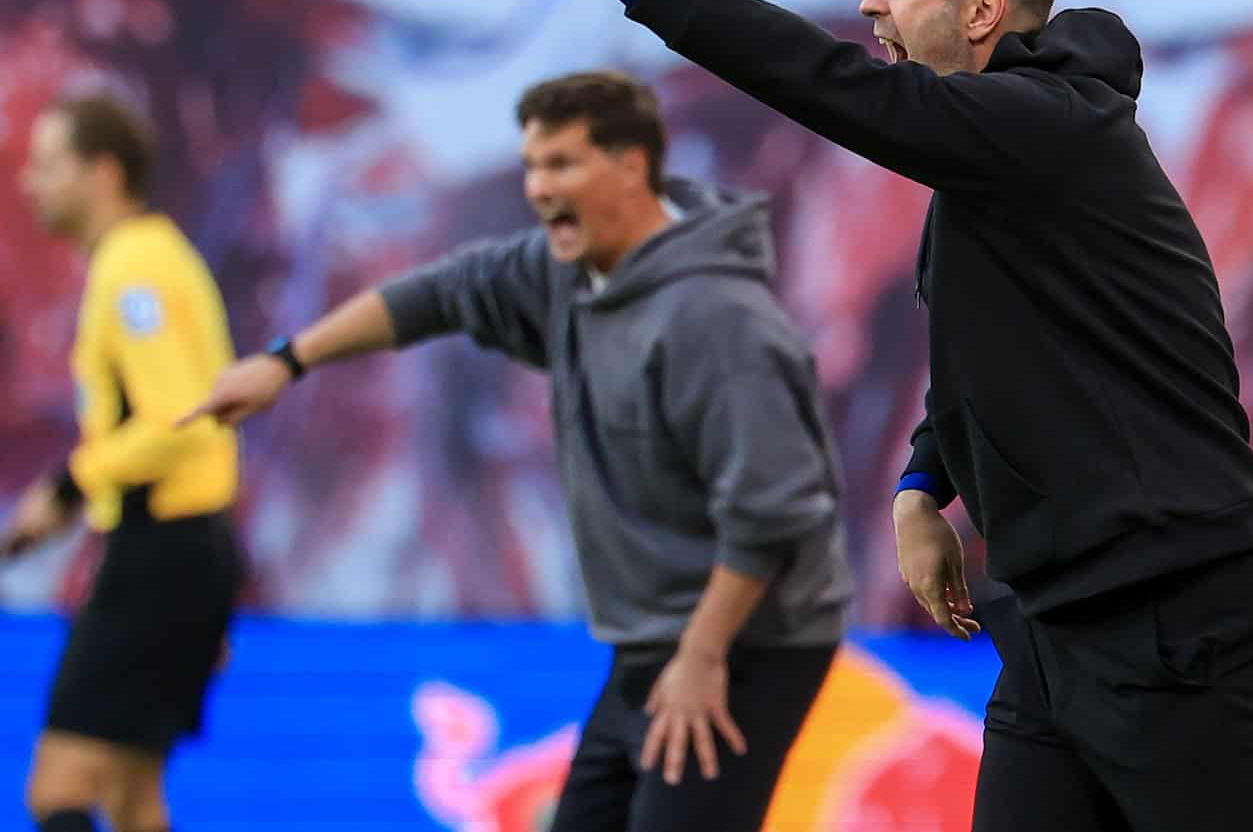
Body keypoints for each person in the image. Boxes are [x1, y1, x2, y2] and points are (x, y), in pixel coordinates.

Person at [488, 0, 1253, 831]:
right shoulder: (1001, 158)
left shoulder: (1047, 132)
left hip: (1171, 623)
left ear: (982, 9)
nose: (869, 3)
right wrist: (925, 484)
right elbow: (991, 350)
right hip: (1055, 629)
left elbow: (822, 80)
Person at [182, 70, 851, 832]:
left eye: (561, 164)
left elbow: (777, 515)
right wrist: (286, 361)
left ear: (633, 166)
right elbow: (435, 294)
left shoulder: (720, 320)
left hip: (747, 640)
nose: (538, 188)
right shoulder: (567, 273)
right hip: (654, 637)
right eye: (532, 166)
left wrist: (702, 659)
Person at [3, 95, 243, 832]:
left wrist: (68, 484)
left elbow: (179, 419)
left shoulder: (134, 267)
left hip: (160, 557)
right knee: (135, 801)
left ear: (103, 173)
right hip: (184, 549)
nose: (28, 183)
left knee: (58, 791)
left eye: (48, 165)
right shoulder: (147, 255)